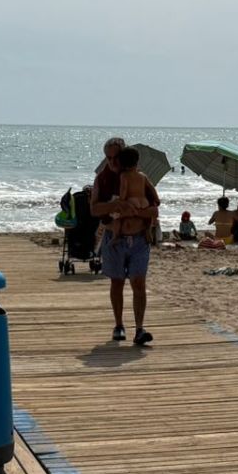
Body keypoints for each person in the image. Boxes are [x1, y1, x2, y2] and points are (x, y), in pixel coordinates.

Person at [90, 146, 155, 345]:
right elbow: (93, 209)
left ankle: (139, 329)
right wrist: (115, 206)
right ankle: (119, 325)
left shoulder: (139, 178)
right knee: (117, 282)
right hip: (114, 238)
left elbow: (154, 208)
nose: (112, 162)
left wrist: (135, 211)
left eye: (115, 157)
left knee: (138, 283)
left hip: (138, 239)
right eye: (107, 158)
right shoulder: (102, 179)